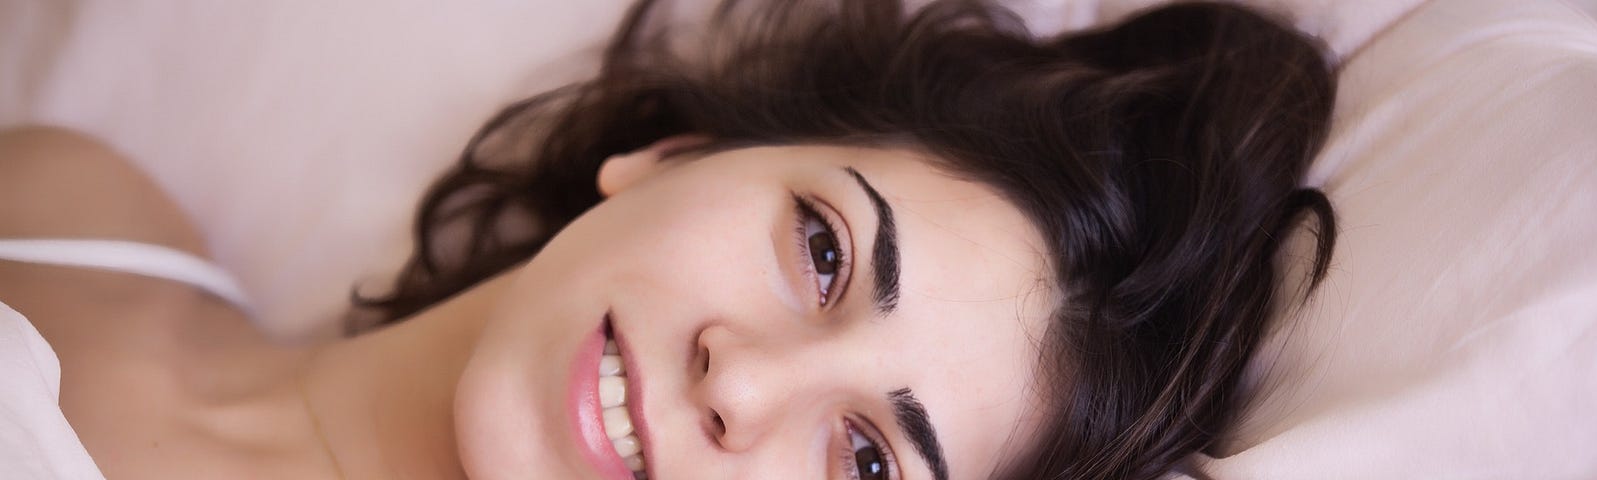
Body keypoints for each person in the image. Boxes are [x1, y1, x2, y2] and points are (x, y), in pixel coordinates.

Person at [0, 0, 1337, 478]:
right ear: (677, 155)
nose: (741, 384)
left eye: (867, 467)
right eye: (821, 253)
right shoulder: (69, 203)